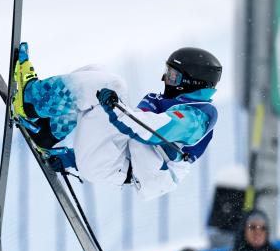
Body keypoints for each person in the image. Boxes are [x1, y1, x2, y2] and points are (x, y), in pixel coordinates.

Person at [12, 44, 221, 200]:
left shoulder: (199, 116)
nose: (165, 80)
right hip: (113, 162)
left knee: (111, 84)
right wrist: (72, 158)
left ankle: (31, 100)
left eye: (173, 76)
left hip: (119, 168)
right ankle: (47, 133)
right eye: (167, 72)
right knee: (97, 71)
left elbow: (149, 131)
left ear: (191, 83)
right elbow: (123, 137)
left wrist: (115, 107)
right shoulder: (163, 102)